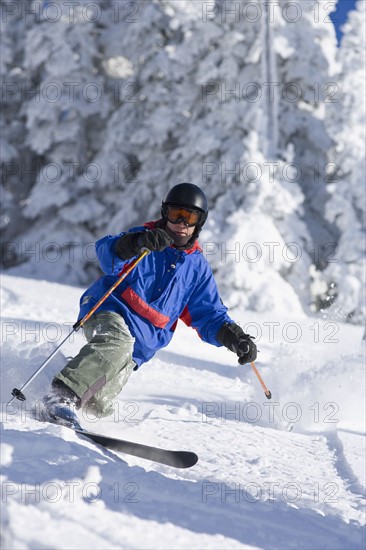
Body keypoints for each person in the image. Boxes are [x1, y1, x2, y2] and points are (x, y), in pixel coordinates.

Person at [40, 183, 257, 426]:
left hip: (143, 344)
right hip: (108, 310)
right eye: (176, 214)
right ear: (166, 213)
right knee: (117, 343)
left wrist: (233, 337)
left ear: (199, 222)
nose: (182, 223)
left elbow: (208, 315)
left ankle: (67, 385)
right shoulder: (146, 239)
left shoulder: (197, 269)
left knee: (98, 401)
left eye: (190, 217)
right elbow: (106, 253)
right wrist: (135, 243)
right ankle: (60, 397)